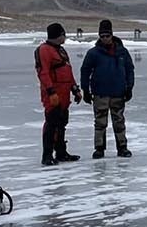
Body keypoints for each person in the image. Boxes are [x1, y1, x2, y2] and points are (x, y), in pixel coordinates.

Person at [79, 18, 136, 159]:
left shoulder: (122, 52)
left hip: (118, 92)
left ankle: (122, 147)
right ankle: (99, 148)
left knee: (119, 121)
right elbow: (85, 71)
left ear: (112, 35)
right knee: (100, 122)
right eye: (102, 36)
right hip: (100, 93)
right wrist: (85, 90)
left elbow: (130, 70)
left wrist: (129, 87)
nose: (105, 39)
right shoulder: (93, 53)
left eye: (107, 36)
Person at [34, 22, 82, 166]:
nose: (65, 37)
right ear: (58, 35)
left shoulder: (61, 50)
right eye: (63, 34)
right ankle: (47, 155)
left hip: (64, 93)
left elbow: (68, 71)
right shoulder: (44, 50)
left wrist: (75, 89)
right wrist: (50, 92)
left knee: (61, 123)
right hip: (53, 94)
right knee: (51, 124)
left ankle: (61, 152)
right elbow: (43, 73)